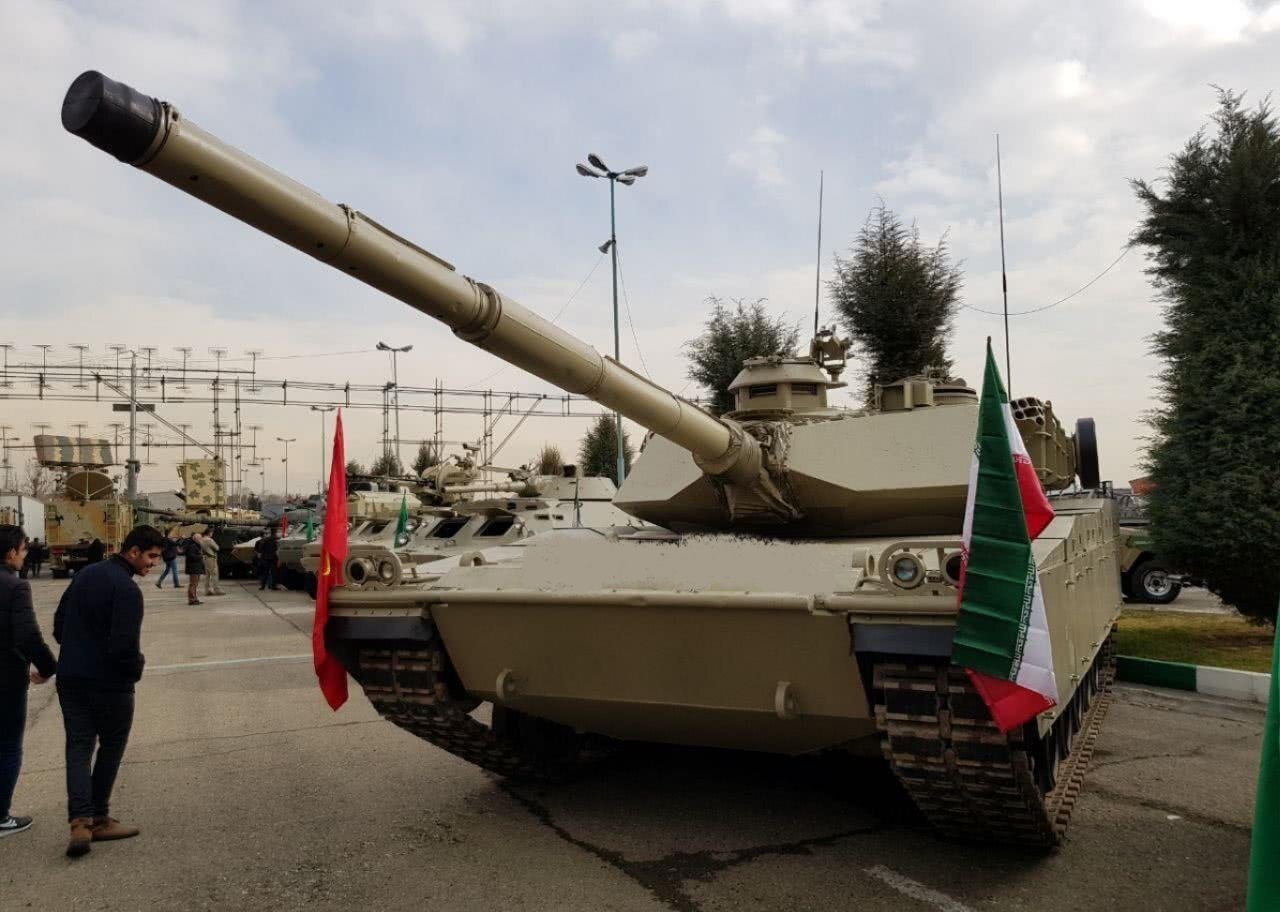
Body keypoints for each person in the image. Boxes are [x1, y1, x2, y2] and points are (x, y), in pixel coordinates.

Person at [53, 523, 163, 858]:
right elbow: (123, 647)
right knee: (111, 746)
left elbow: (59, 626)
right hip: (110, 684)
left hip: (71, 678)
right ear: (133, 552)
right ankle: (99, 818)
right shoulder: (127, 590)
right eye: (151, 556)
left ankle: (80, 823)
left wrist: (78, 649)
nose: (154, 564)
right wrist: (136, 670)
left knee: (78, 747)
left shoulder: (85, 575)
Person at [0, 525, 56, 838]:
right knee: (8, 746)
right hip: (6, 681)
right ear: (11, 553)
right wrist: (48, 667)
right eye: (23, 550)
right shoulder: (15, 586)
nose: (25, 556)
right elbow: (27, 636)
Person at [198, 531, 225, 597]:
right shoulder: (209, 540)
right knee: (214, 574)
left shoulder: (201, 540)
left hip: (205, 558)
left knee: (207, 575)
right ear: (209, 533)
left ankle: (207, 590)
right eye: (211, 532)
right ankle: (217, 589)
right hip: (211, 558)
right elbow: (217, 548)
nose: (212, 533)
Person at [182, 534, 205, 606]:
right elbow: (191, 556)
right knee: (193, 584)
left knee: (195, 584)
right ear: (196, 539)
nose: (201, 540)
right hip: (193, 568)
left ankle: (195, 598)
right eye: (200, 538)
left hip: (196, 568)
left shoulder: (196, 546)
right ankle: (192, 599)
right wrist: (200, 556)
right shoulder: (192, 546)